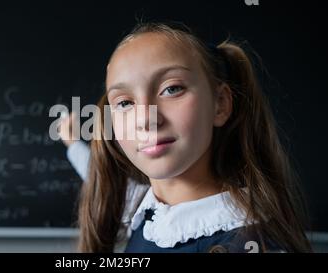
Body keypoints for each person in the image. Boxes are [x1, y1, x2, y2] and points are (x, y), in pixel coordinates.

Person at [58, 22, 312, 253]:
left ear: (220, 104)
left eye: (171, 89)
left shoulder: (250, 244)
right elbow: (97, 175)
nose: (145, 119)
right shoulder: (146, 207)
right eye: (125, 103)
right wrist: (71, 142)